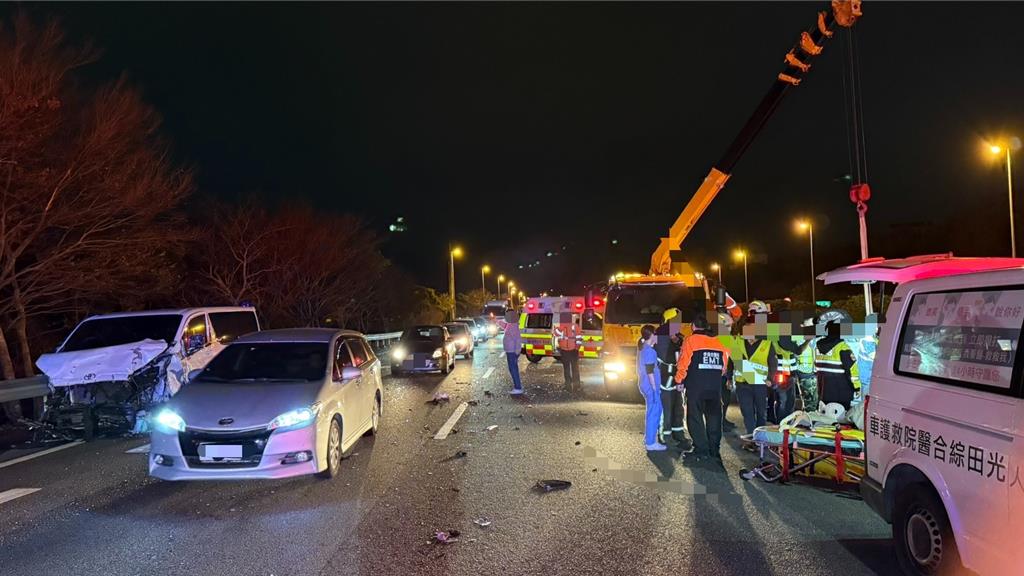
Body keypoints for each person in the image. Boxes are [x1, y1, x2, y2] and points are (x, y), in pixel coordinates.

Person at [674, 312, 730, 463]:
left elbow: (683, 362)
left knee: (695, 417)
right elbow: (724, 367)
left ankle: (701, 450)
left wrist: (679, 380)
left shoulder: (691, 340)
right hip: (714, 387)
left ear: (693, 326)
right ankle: (714, 450)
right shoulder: (720, 341)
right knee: (714, 417)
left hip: (695, 387)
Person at [736, 303, 777, 440]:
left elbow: (773, 364)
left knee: (761, 412)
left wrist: (771, 379)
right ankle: (751, 437)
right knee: (747, 412)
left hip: (760, 384)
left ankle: (760, 437)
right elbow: (732, 361)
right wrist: (729, 377)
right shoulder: (738, 343)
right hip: (743, 384)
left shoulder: (767, 344)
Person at [655, 308, 686, 447]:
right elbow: (665, 357)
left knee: (678, 407)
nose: (678, 324)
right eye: (675, 321)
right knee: (665, 409)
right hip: (664, 378)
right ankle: (664, 435)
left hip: (677, 377)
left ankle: (678, 433)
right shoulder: (661, 336)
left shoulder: (678, 337)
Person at [815, 315, 861, 409]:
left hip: (824, 391)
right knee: (840, 420)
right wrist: (857, 387)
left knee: (825, 419)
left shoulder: (818, 347)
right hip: (841, 393)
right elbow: (852, 370)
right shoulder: (842, 347)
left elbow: (816, 368)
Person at [636, 324, 666, 452]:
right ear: (652, 336)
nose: (657, 337)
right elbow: (650, 372)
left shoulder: (644, 348)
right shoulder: (650, 351)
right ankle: (651, 442)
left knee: (653, 412)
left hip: (645, 385)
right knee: (654, 413)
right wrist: (654, 389)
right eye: (656, 334)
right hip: (650, 386)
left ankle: (649, 438)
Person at [554, 312, 581, 392]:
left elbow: (556, 334)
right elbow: (579, 338)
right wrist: (577, 347)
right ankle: (576, 386)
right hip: (573, 350)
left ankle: (568, 385)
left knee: (567, 369)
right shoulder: (575, 326)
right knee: (575, 368)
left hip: (565, 350)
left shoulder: (560, 327)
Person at [501, 309, 524, 395]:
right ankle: (517, 386)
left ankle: (518, 388)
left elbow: (518, 339)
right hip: (510, 351)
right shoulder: (511, 325)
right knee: (512, 368)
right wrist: (496, 321)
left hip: (512, 351)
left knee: (513, 369)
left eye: (507, 315)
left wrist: (517, 351)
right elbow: (504, 325)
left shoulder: (513, 326)